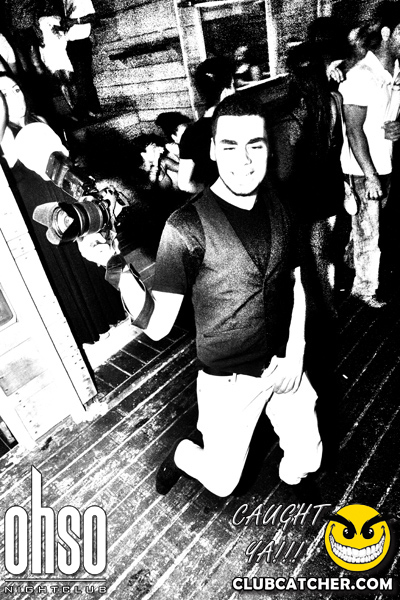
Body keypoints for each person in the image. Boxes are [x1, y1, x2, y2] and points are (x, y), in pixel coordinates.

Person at [113, 94, 323, 498]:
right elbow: (157, 327)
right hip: (229, 378)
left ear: (269, 148)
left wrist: (296, 351)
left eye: (255, 146)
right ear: (211, 149)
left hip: (284, 361)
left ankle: (292, 482)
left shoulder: (279, 203)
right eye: (229, 146)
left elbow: (296, 279)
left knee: (307, 458)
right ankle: (184, 454)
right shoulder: (184, 227)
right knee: (224, 482)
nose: (243, 161)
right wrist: (117, 268)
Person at [0, 73, 126, 345]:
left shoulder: (39, 121)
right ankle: (86, 326)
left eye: (16, 89)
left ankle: (109, 313)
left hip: (62, 196)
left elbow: (64, 163)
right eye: (4, 95)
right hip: (38, 205)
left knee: (86, 252)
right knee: (64, 265)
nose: (15, 98)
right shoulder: (4, 136)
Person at [271, 41, 345, 317]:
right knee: (324, 254)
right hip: (330, 188)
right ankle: (329, 304)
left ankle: (321, 310)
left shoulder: (290, 119)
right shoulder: (334, 100)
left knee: (309, 259)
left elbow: (284, 173)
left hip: (303, 199)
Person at [339, 1, 400, 308]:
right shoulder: (361, 75)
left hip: (384, 161)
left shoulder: (394, 72)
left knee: (367, 227)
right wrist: (370, 175)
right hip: (364, 169)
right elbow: (353, 130)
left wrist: (396, 128)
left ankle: (352, 264)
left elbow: (386, 119)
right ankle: (363, 289)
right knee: (369, 231)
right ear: (387, 33)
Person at [178, 56, 235, 194]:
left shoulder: (190, 134)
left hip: (219, 201)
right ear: (225, 92)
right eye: (233, 85)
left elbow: (184, 184)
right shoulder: (238, 123)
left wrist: (210, 192)